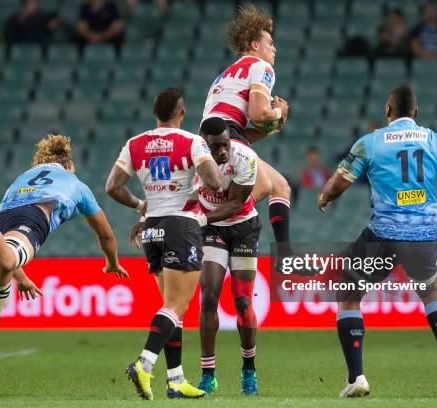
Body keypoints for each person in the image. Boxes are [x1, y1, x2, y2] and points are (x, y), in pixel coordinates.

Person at [318, 85, 437, 397]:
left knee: (348, 290)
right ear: (415, 113)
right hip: (422, 233)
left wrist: (325, 197)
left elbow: (339, 183)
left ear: (387, 111)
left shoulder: (371, 142)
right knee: (431, 289)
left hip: (382, 234)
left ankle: (357, 378)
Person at [0, 134, 129, 395]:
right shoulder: (76, 184)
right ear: (68, 164)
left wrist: (21, 277)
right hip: (35, 215)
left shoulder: (21, 179)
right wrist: (112, 262)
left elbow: (0, 235)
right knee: (7, 260)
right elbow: (106, 234)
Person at [106, 88, 223, 400]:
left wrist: (140, 205)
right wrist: (204, 170)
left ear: (155, 112)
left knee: (173, 310)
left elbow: (112, 187)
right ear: (182, 112)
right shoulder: (191, 141)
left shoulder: (135, 144)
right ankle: (144, 364)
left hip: (152, 228)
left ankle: (175, 380)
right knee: (176, 306)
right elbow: (214, 181)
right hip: (181, 226)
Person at [201, 4, 294, 264]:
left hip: (210, 139)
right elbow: (258, 113)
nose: (274, 49)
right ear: (255, 44)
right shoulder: (261, 68)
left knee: (280, 186)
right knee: (263, 185)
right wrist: (279, 112)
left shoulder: (222, 76)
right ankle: (215, 225)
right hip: (228, 137)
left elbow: (242, 132)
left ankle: (283, 255)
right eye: (270, 43)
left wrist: (273, 128)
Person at [189, 118, 261, 396]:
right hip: (212, 229)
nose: (222, 151)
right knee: (208, 296)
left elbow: (235, 203)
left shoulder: (245, 157)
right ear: (203, 144)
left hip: (243, 227)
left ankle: (249, 372)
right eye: (215, 146)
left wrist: (200, 220)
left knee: (243, 301)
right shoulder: (191, 158)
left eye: (225, 144)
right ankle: (208, 375)